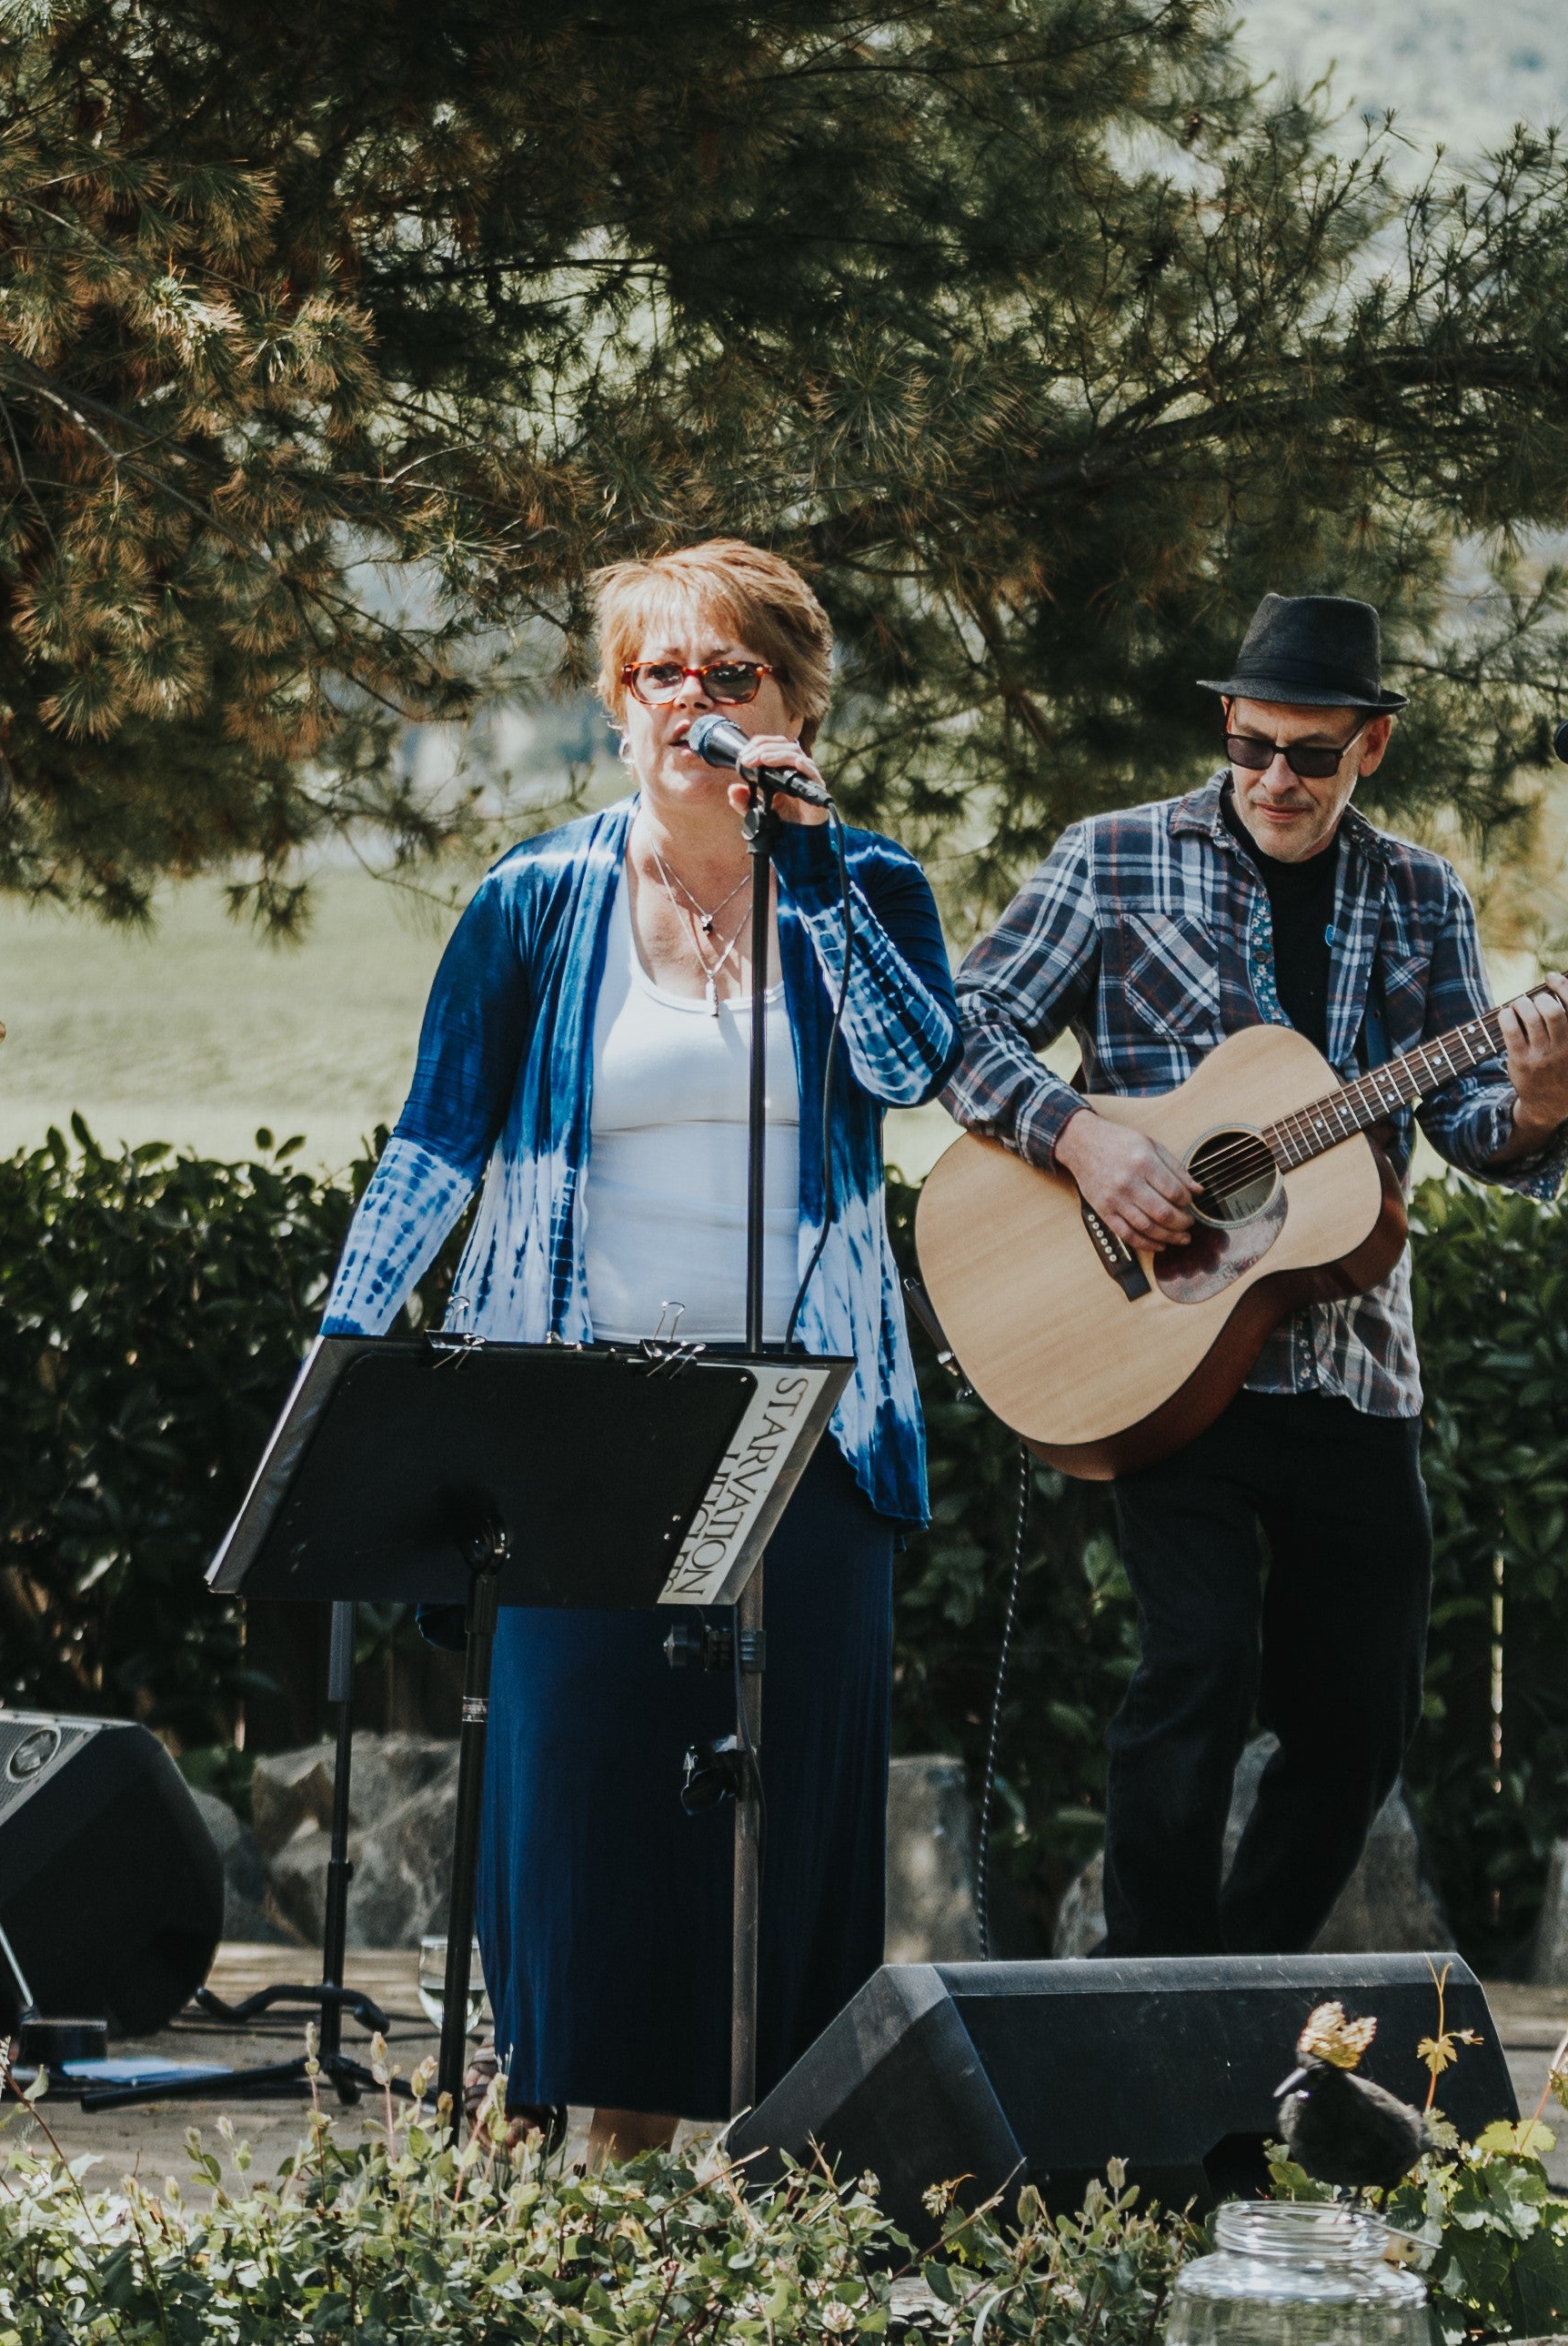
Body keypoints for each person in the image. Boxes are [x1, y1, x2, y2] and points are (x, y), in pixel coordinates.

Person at [313, 539, 960, 2159]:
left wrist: (804, 864)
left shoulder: (863, 886)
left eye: (729, 675)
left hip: (806, 1425)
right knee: (590, 1816)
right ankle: (597, 2179)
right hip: (580, 1420)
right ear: (615, 705)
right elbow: (435, 1148)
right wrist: (344, 1357)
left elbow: (906, 1066)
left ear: (795, 708)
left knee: (782, 1833)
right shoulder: (533, 903)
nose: (690, 702)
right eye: (658, 673)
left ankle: (786, 2184)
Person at [939, 591, 1568, 1955]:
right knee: (1196, 1668)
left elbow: (1470, 1121)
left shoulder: (1418, 895)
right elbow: (960, 1025)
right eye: (1250, 747)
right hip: (1161, 1354)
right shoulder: (1111, 861)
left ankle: (1229, 1986)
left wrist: (1537, 1102)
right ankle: (1146, 2003)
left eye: (1308, 752)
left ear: (1372, 745)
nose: (1274, 779)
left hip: (1350, 1365)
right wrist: (1087, 1138)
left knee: (1359, 1717)